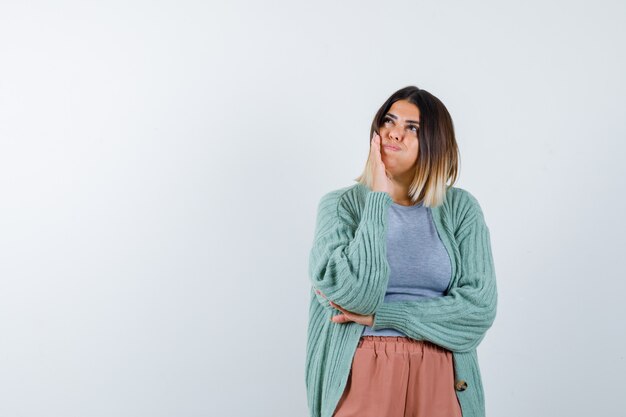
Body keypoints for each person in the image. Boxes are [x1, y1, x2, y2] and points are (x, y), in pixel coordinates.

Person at [305, 86, 497, 417]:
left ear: (435, 143)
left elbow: (478, 310)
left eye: (413, 127)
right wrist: (378, 198)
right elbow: (354, 296)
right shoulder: (340, 207)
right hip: (362, 368)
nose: (395, 133)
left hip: (442, 370)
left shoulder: (461, 209)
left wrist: (387, 316)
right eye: (389, 121)